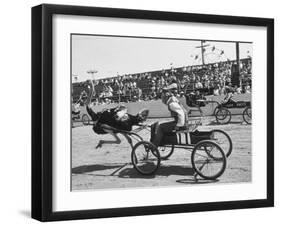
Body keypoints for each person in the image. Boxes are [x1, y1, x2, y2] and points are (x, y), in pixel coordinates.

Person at [150, 83, 188, 148]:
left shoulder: (171, 103)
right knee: (163, 125)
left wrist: (178, 126)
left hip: (182, 123)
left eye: (162, 97)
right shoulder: (173, 99)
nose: (162, 99)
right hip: (182, 122)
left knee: (161, 127)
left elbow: (181, 113)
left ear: (166, 96)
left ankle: (154, 145)